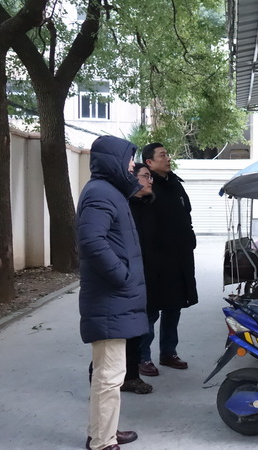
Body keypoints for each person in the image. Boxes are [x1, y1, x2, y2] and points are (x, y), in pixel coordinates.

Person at [78, 136, 148, 450]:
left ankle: (102, 431)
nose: (132, 165)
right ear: (113, 161)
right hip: (109, 298)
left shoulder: (109, 191)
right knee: (109, 374)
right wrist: (121, 275)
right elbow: (92, 241)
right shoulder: (100, 193)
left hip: (113, 297)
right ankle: (102, 442)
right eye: (129, 159)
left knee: (108, 374)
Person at [137, 143, 198, 376]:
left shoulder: (175, 184)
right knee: (151, 310)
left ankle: (168, 352)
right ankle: (143, 357)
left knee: (174, 306)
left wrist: (190, 240)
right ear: (150, 162)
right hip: (155, 260)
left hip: (179, 258)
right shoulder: (147, 188)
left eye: (167, 154)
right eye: (162, 155)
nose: (168, 158)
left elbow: (186, 214)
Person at [119, 163, 157, 395]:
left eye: (150, 177)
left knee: (138, 328)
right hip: (128, 280)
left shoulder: (147, 206)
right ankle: (113, 378)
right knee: (121, 333)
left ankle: (131, 375)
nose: (150, 180)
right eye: (145, 176)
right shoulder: (123, 207)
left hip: (146, 278)